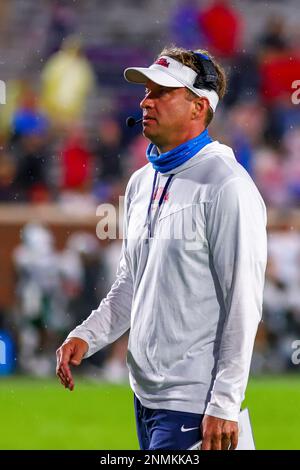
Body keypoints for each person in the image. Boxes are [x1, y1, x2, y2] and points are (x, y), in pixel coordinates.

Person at [56, 46, 267, 450]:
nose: (145, 101)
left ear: (198, 107)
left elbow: (244, 301)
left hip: (197, 404)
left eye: (161, 92)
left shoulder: (228, 186)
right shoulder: (141, 182)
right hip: (146, 399)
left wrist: (224, 402)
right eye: (147, 90)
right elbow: (132, 282)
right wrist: (88, 335)